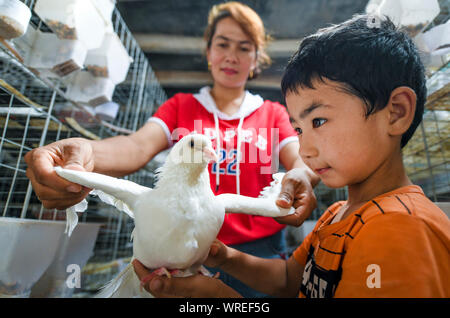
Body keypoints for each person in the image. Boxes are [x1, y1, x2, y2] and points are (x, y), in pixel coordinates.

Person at [133, 14, 450, 298]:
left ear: (395, 112)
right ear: (208, 53)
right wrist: (223, 257)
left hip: (261, 243)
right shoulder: (337, 214)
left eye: (319, 121)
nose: (305, 149)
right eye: (299, 129)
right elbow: (289, 280)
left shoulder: (395, 230)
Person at [24, 2, 319, 297]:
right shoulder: (182, 106)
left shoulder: (272, 113)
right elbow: (136, 146)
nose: (231, 56)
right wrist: (86, 152)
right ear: (208, 53)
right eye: (222, 44)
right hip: (184, 252)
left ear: (256, 58)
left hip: (261, 255)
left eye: (244, 47)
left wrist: (303, 176)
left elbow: (300, 159)